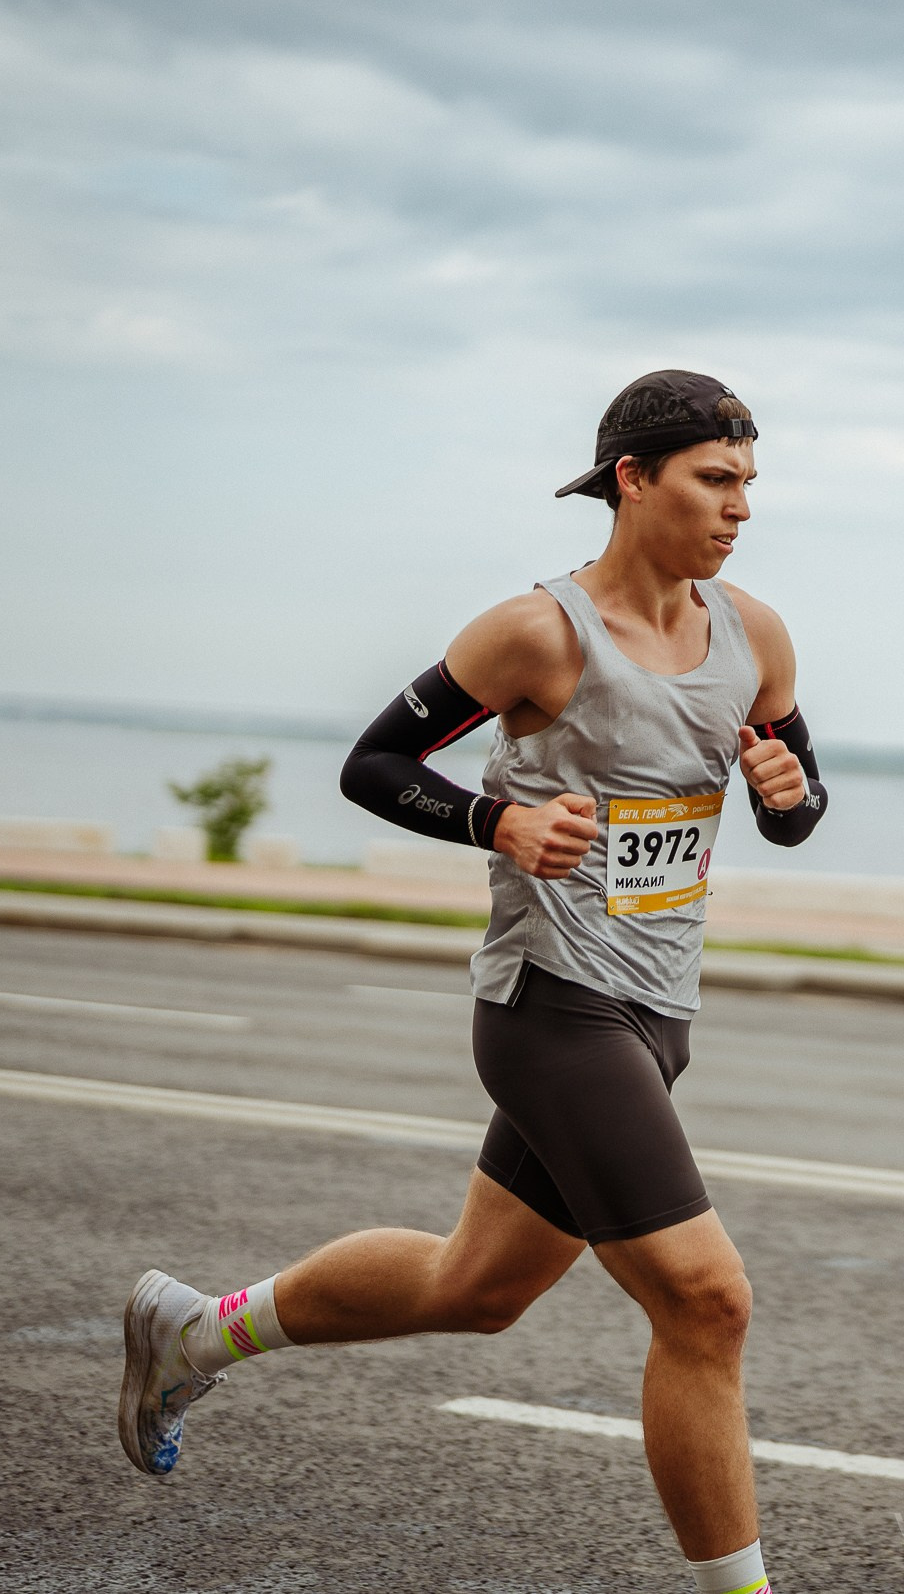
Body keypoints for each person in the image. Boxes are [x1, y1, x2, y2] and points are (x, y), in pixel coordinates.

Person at [118, 370, 827, 1594]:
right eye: (717, 480)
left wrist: (790, 799)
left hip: (661, 1012)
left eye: (748, 484)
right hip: (553, 1009)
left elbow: (798, 799)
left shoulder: (754, 635)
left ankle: (201, 1329)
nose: (740, 509)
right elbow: (373, 762)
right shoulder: (538, 634)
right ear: (632, 480)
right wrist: (495, 822)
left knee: (479, 1285)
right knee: (707, 1303)